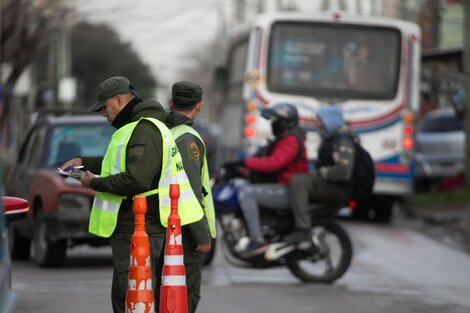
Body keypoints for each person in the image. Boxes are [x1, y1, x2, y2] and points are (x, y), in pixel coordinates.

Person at [60, 76, 205, 313]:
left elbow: (137, 179)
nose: (102, 114)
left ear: (118, 100)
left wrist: (93, 182)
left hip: (139, 226)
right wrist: (84, 162)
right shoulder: (135, 127)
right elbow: (118, 165)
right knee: (133, 294)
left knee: (130, 296)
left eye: (104, 107)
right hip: (136, 226)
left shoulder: (144, 129)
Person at [163, 81, 216, 313]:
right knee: (185, 294)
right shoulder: (187, 138)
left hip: (167, 223)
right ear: (199, 105)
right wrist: (202, 234)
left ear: (171, 103)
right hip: (184, 231)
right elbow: (190, 190)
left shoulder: (165, 131)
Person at [228, 102, 308, 256]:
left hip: (288, 189)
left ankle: (257, 239)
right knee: (243, 184)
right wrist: (243, 169)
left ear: (285, 122)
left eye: (275, 121)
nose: (273, 124)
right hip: (283, 185)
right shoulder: (284, 138)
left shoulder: (291, 140)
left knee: (247, 192)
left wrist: (246, 162)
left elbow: (273, 164)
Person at [284, 105, 355, 243]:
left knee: (298, 182)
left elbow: (344, 172)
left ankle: (303, 228)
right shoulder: (332, 137)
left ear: (331, 120)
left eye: (321, 120)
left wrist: (322, 172)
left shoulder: (343, 140)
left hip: (338, 188)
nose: (318, 124)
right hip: (330, 184)